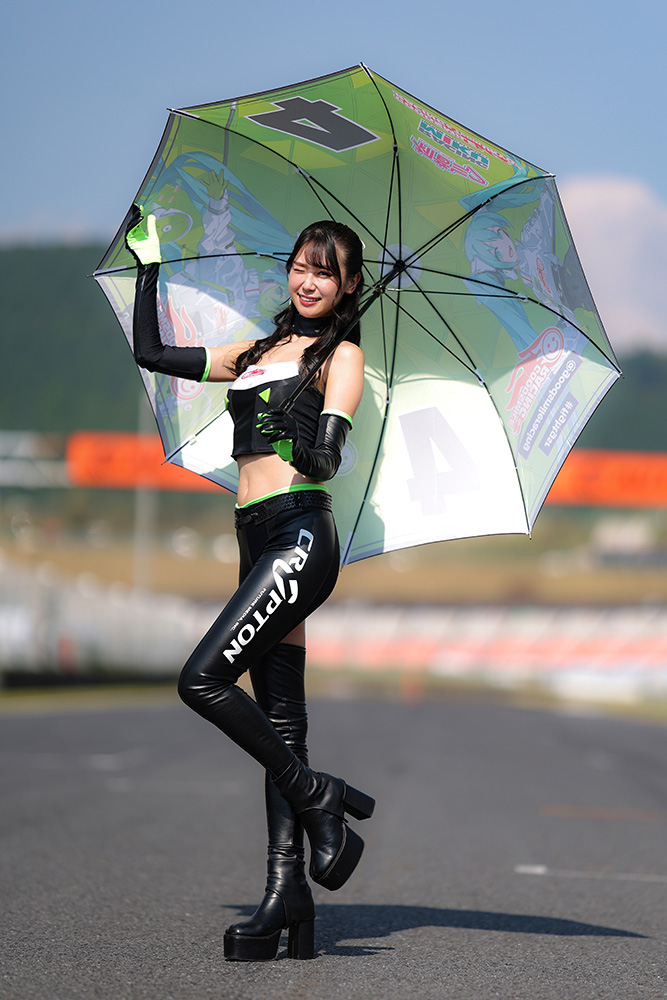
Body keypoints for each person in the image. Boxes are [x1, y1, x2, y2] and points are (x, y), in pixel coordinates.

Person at [125, 209, 375, 962]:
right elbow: (151, 352)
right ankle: (287, 895)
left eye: (325, 271)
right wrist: (148, 270)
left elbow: (330, 448)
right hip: (253, 536)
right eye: (301, 266)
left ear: (349, 286)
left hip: (300, 532)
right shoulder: (257, 351)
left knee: (200, 679)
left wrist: (316, 444)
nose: (308, 281)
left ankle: (318, 794)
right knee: (282, 722)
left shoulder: (343, 356)